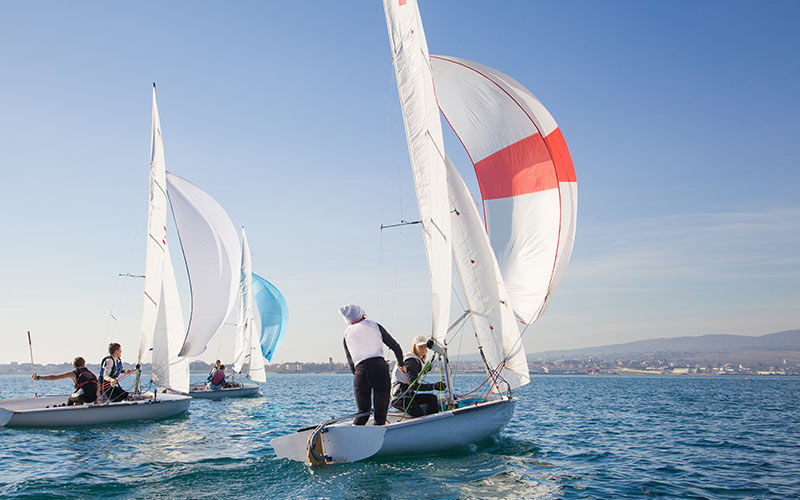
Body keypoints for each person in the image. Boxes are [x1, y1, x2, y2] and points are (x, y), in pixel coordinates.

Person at [340, 304, 404, 426]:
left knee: (363, 413)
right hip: (379, 369)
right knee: (380, 416)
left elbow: (351, 364)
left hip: (360, 373)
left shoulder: (346, 334)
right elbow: (396, 347)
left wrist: (361, 375)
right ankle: (379, 438)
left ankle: (353, 436)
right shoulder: (374, 325)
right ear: (361, 314)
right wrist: (401, 364)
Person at [391, 336, 446, 418]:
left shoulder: (415, 360)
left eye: (424, 346)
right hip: (400, 399)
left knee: (432, 398)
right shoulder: (411, 361)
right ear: (414, 347)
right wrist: (434, 386)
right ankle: (428, 424)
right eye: (420, 347)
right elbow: (414, 385)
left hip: (409, 396)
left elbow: (421, 369)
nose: (423, 349)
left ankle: (433, 420)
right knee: (419, 414)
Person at [32, 357, 98, 406]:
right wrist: (96, 401)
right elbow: (97, 386)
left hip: (84, 397)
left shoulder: (73, 374)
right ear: (84, 364)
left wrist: (38, 377)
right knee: (78, 395)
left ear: (74, 366)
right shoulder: (91, 374)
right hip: (93, 397)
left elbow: (53, 377)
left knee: (70, 398)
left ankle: (67, 411)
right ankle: (77, 408)